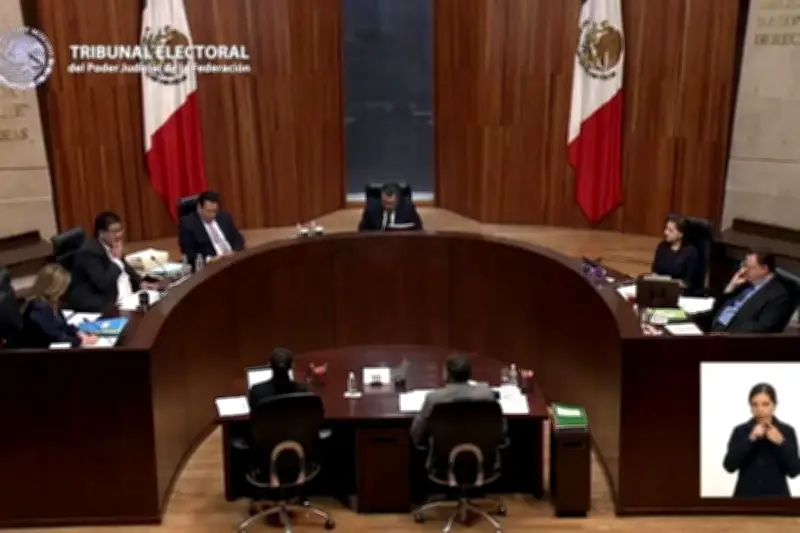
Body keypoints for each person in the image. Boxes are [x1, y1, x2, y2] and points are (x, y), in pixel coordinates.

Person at [65, 212, 156, 312]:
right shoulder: (89, 253)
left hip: (128, 299)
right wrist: (116, 259)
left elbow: (125, 267)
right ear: (101, 233)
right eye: (114, 231)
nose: (119, 235)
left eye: (120, 230)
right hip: (106, 303)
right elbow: (103, 283)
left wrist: (140, 283)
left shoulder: (112, 244)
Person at [722, 383, 800, 497]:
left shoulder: (787, 431)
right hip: (745, 497)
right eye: (755, 405)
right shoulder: (741, 431)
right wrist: (750, 439)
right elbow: (729, 466)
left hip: (777, 498)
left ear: (774, 405)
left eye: (765, 404)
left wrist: (781, 442)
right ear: (750, 406)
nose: (760, 409)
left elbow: (794, 471)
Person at [410, 354, 499, 446]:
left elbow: (417, 433)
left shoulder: (434, 399)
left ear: (446, 374)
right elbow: (501, 431)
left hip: (442, 453)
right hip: (482, 453)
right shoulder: (488, 395)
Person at [710, 249, 794, 333]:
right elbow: (716, 308)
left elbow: (763, 327)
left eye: (748, 267)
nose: (743, 270)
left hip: (732, 335)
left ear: (764, 269)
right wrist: (731, 286)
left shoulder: (778, 295)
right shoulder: (743, 283)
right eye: (743, 265)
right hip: (713, 327)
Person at [21, 264, 98, 348]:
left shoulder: (50, 302)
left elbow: (62, 326)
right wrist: (81, 341)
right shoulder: (38, 310)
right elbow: (56, 338)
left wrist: (77, 332)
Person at [178, 190, 245, 265]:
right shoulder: (187, 225)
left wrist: (235, 251)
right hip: (212, 265)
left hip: (232, 259)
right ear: (199, 208)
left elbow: (238, 239)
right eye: (209, 211)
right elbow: (189, 253)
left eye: (215, 211)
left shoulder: (224, 217)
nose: (213, 215)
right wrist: (209, 260)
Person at [650, 215, 701, 293]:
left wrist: (668, 282)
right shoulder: (662, 246)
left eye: (670, 230)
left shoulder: (691, 252)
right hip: (659, 290)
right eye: (666, 228)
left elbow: (687, 283)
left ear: (680, 234)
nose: (665, 232)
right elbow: (655, 271)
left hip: (680, 292)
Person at [357, 183, 423, 232]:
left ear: (398, 200)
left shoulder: (408, 209)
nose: (387, 206)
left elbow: (419, 231)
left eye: (390, 203)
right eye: (384, 202)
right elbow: (362, 232)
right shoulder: (371, 208)